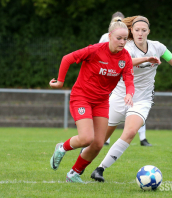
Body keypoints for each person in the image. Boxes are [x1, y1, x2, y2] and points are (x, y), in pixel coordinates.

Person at [90, 16, 172, 182]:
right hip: (120, 96)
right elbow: (126, 62)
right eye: (137, 30)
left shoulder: (157, 47)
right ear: (132, 31)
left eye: (144, 30)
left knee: (130, 132)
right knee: (99, 140)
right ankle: (81, 163)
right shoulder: (126, 47)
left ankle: (100, 169)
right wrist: (146, 59)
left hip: (142, 100)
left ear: (149, 32)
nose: (140, 33)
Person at [49, 17, 136, 183]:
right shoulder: (95, 50)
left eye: (125, 39)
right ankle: (62, 148)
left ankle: (73, 173)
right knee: (86, 138)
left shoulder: (125, 58)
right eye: (119, 38)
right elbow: (67, 58)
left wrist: (129, 93)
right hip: (81, 97)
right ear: (110, 36)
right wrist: (60, 82)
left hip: (102, 102)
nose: (122, 42)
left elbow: (129, 81)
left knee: (97, 143)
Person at [99, 11, 152, 147]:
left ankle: (143, 138)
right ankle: (103, 139)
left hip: (123, 78)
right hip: (109, 78)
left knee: (136, 110)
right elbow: (99, 56)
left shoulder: (129, 40)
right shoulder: (105, 37)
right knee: (109, 113)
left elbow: (126, 60)